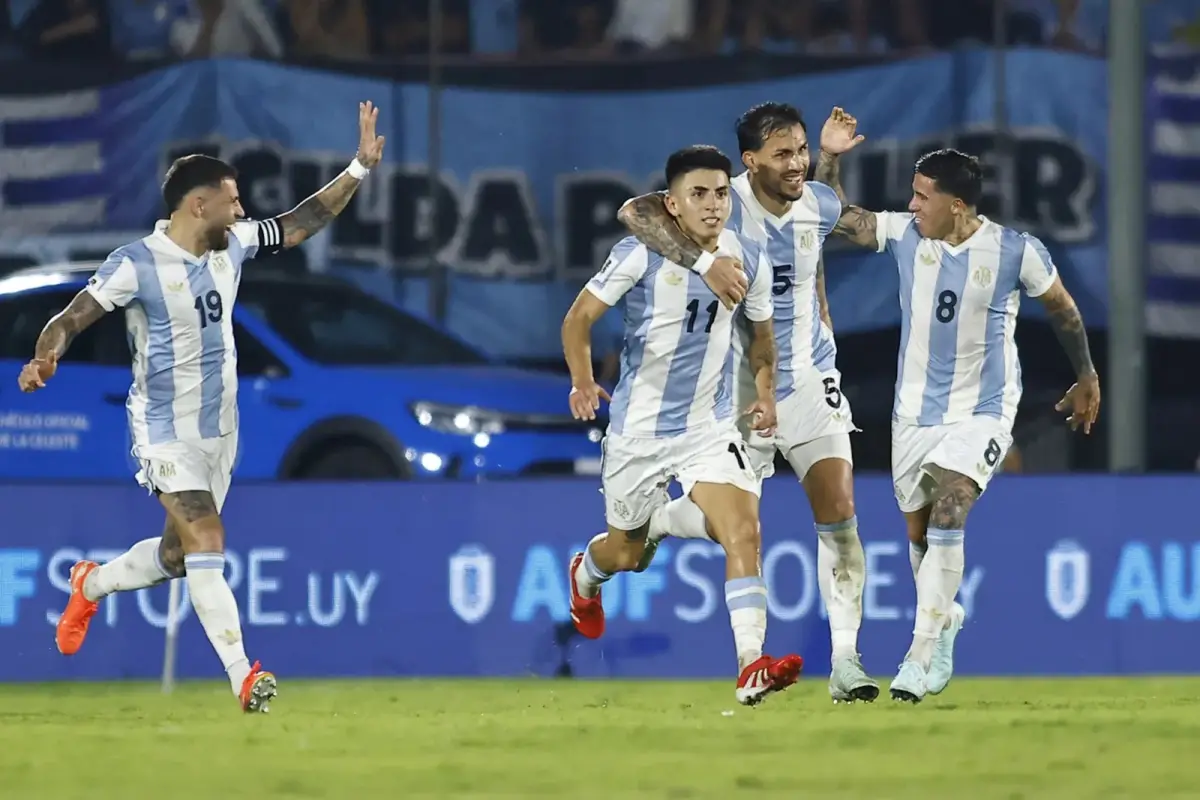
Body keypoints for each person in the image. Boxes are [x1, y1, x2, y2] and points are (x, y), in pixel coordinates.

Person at [16, 101, 387, 714]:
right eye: (233, 199)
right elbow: (71, 316)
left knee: (179, 555)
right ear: (198, 204)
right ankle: (245, 676)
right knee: (209, 534)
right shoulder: (136, 263)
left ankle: (92, 582)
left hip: (221, 430)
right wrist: (46, 355)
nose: (242, 210)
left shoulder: (233, 244)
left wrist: (359, 168)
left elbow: (298, 223)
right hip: (162, 433)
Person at [616, 104, 878, 703]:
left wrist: (832, 161)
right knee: (736, 528)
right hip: (737, 390)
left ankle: (846, 662)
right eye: (782, 154)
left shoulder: (814, 197)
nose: (797, 163)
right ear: (750, 161)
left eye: (803, 151)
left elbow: (847, 221)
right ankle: (656, 521)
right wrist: (704, 262)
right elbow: (634, 212)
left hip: (811, 379)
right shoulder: (720, 201)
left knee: (840, 519)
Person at [823, 145, 1101, 702]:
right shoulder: (904, 234)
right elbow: (833, 218)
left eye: (923, 196)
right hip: (914, 416)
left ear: (956, 203)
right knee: (920, 535)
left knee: (954, 504)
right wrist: (829, 160)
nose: (911, 204)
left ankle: (917, 656)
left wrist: (1087, 375)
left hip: (984, 410)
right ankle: (945, 620)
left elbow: (1064, 309)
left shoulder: (1014, 251)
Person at [561, 144, 804, 706]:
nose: (713, 204)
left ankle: (751, 666)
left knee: (743, 531)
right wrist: (580, 381)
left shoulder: (751, 259)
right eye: (698, 194)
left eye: (721, 192)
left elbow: (762, 341)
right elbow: (578, 320)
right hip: (637, 435)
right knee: (629, 554)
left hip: (708, 426)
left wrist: (765, 394)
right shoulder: (640, 255)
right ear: (671, 204)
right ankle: (584, 576)